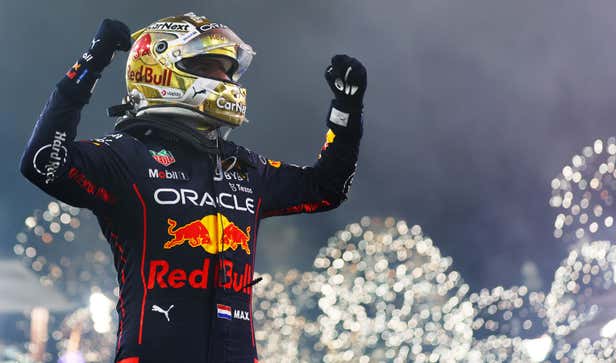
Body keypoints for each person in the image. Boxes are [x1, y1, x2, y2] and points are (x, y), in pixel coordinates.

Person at [20, 13, 366, 363]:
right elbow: (43, 161)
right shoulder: (125, 157)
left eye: (227, 70)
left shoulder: (245, 167)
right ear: (161, 71)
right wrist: (89, 66)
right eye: (210, 67)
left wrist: (346, 114)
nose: (225, 80)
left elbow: (326, 188)